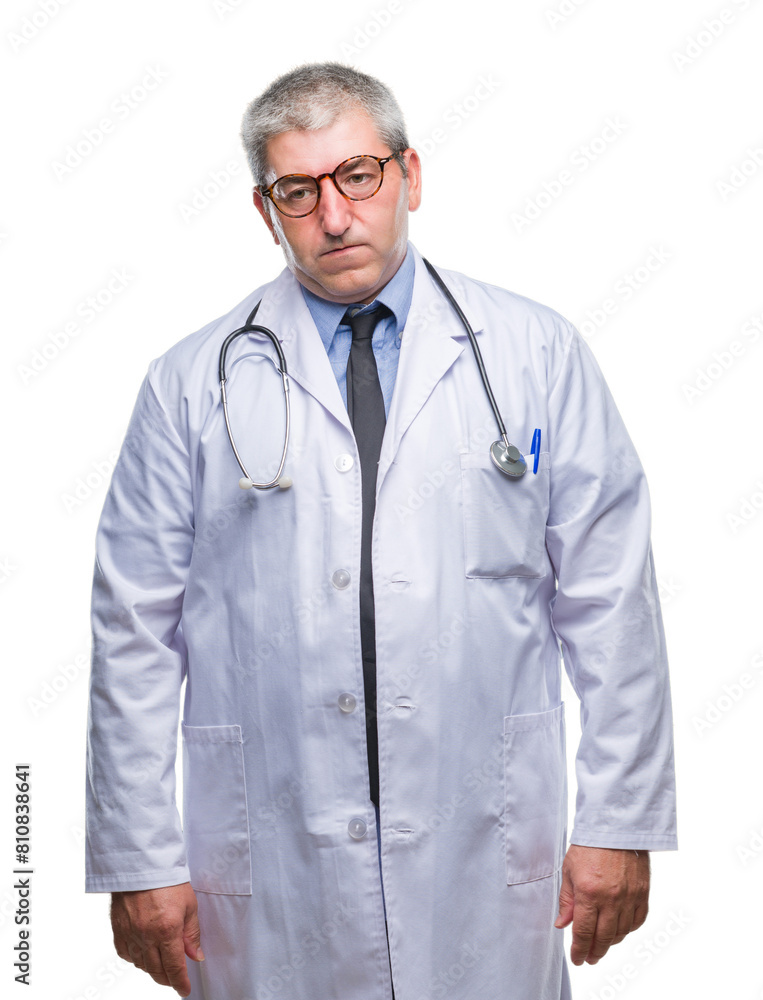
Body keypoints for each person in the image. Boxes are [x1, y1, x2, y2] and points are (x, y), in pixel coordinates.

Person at [85, 62, 678, 1000]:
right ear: (265, 211)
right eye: (298, 190)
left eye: (357, 176)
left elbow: (611, 602)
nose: (334, 215)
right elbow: (133, 632)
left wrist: (619, 820)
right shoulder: (189, 383)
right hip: (271, 855)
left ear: (409, 175)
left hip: (484, 842)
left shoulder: (535, 352)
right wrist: (136, 856)